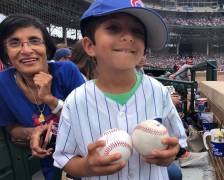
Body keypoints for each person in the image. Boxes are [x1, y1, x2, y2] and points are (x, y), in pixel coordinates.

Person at [53, 0, 187, 179]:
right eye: (113, 28)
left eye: (138, 32)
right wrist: (86, 166)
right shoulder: (75, 100)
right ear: (89, 46)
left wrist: (171, 154)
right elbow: (65, 158)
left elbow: (177, 142)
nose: (129, 37)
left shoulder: (158, 91)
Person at [0, 14, 85, 180]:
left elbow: (88, 120)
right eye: (15, 42)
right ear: (5, 52)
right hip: (48, 166)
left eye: (34, 40)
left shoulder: (67, 71)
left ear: (46, 47)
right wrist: (33, 132)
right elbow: (11, 128)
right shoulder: (2, 83)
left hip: (84, 158)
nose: (26, 50)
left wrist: (50, 99)